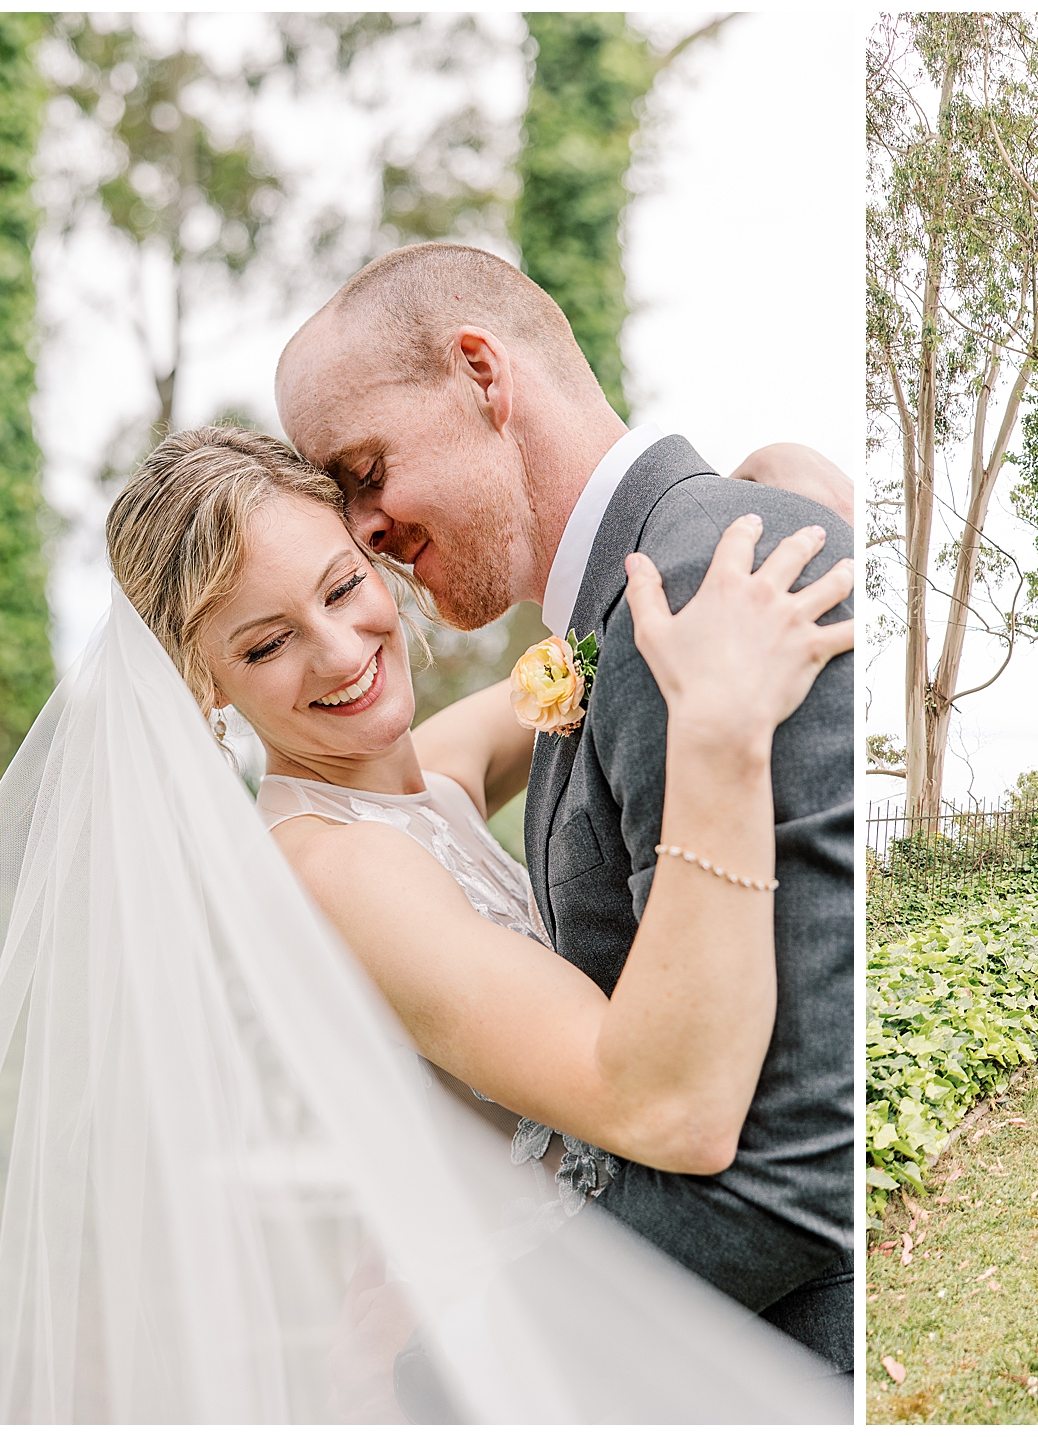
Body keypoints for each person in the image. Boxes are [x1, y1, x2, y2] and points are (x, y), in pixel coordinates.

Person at [0, 429, 851, 1420]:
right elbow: (647, 1101)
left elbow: (586, 650)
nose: (339, 651)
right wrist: (716, 738)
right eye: (265, 644)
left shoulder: (399, 788)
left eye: (341, 586)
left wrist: (739, 500)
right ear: (203, 685)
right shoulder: (333, 866)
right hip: (544, 1349)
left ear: (375, 560)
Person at [273, 242, 856, 1370]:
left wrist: (467, 1366)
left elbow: (801, 1159)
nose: (362, 531)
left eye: (363, 468)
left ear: (484, 375)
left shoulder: (696, 590)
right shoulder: (620, 616)